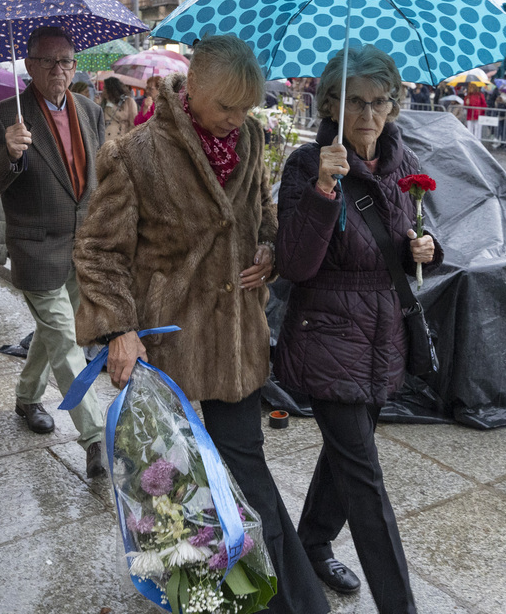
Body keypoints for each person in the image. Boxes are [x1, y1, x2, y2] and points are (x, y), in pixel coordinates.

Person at [73, 34, 330, 614]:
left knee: (249, 475)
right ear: (193, 91)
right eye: (227, 108)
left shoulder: (254, 137)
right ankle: (200, 595)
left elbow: (263, 211)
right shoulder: (136, 153)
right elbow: (97, 252)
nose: (237, 121)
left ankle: (294, 603)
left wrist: (268, 247)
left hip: (236, 344)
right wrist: (118, 329)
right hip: (169, 352)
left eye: (246, 109)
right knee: (177, 489)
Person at [275, 45, 441, 614]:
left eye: (379, 102)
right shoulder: (306, 165)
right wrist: (323, 191)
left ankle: (312, 544)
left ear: (394, 106)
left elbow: (412, 246)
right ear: (331, 105)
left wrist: (426, 248)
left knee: (348, 456)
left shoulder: (403, 165)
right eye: (354, 103)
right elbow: (294, 264)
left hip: (382, 335)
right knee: (366, 481)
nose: (368, 114)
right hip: (325, 334)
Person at [0, 25, 107, 479]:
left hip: (83, 245)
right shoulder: (3, 117)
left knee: (52, 332)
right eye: (48, 61)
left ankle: (27, 397)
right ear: (28, 65)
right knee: (66, 338)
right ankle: (95, 438)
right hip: (35, 247)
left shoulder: (90, 110)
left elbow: (100, 177)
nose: (59, 70)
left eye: (67, 60)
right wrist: (9, 155)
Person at [100, 75, 137, 140]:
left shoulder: (128, 101)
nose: (103, 91)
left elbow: (133, 123)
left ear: (112, 89)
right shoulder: (103, 102)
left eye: (105, 88)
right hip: (105, 140)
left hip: (121, 139)